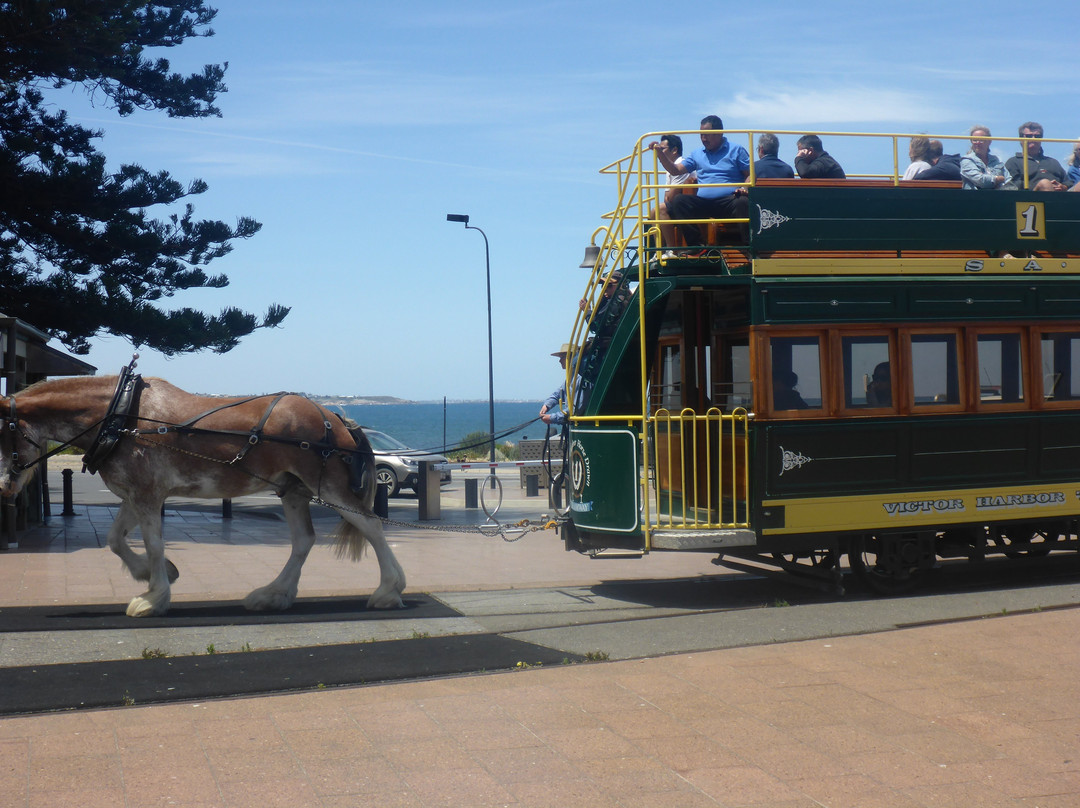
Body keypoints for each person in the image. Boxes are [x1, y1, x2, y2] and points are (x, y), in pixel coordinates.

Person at [649, 114, 751, 247]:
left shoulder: (736, 150)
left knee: (742, 202)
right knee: (680, 201)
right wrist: (660, 154)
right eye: (701, 134)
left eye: (706, 134)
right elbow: (676, 170)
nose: (703, 138)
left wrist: (744, 189)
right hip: (704, 202)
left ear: (719, 133)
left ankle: (748, 246)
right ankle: (696, 246)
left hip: (729, 200)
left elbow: (749, 174)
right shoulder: (697, 154)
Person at [645, 134, 695, 256]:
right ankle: (659, 250)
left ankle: (672, 249)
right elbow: (667, 197)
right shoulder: (669, 169)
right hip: (677, 203)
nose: (659, 152)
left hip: (687, 205)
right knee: (653, 211)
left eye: (662, 149)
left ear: (674, 150)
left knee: (660, 209)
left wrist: (668, 198)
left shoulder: (681, 165)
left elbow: (670, 197)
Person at [1005, 122, 1066, 190]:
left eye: (1037, 136)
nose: (1033, 139)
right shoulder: (1013, 162)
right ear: (1020, 139)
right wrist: (1044, 185)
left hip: (1060, 197)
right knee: (1045, 183)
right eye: (1029, 136)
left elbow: (1068, 183)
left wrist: (1062, 187)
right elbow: (1012, 187)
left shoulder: (1053, 162)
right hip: (1029, 198)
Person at [960, 125, 1011, 190]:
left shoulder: (995, 160)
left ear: (989, 141)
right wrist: (997, 178)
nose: (977, 143)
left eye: (981, 140)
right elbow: (980, 181)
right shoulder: (966, 160)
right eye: (975, 140)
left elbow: (1008, 180)